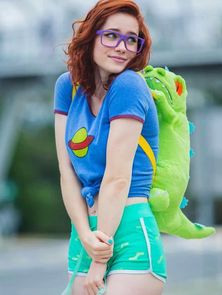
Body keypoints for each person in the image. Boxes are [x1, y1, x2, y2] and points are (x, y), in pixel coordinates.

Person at [54, 0, 167, 294]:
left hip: (129, 231)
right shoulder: (68, 87)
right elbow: (66, 172)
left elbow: (117, 177)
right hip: (85, 234)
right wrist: (84, 235)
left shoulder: (129, 86)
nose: (122, 47)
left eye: (132, 39)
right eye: (112, 35)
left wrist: (99, 260)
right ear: (91, 36)